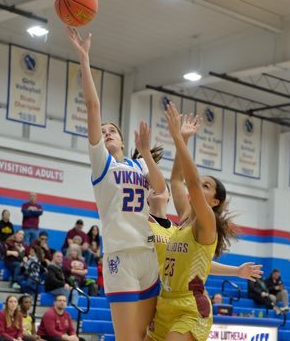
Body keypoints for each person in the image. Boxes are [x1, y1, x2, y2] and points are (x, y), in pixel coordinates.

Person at [67, 27, 166, 341]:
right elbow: (93, 108)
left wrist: (148, 153)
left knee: (148, 335)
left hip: (149, 255)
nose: (107, 132)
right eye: (104, 130)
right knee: (128, 339)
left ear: (123, 140)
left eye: (113, 130)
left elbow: (161, 190)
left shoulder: (139, 163)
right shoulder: (102, 162)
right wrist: (84, 59)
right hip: (119, 257)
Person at [146, 103, 236, 341]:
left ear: (215, 201)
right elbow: (177, 180)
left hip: (190, 307)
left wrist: (176, 136)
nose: (198, 187)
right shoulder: (186, 215)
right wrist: (183, 140)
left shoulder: (206, 222)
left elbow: (191, 183)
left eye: (207, 186)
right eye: (202, 183)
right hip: (165, 302)